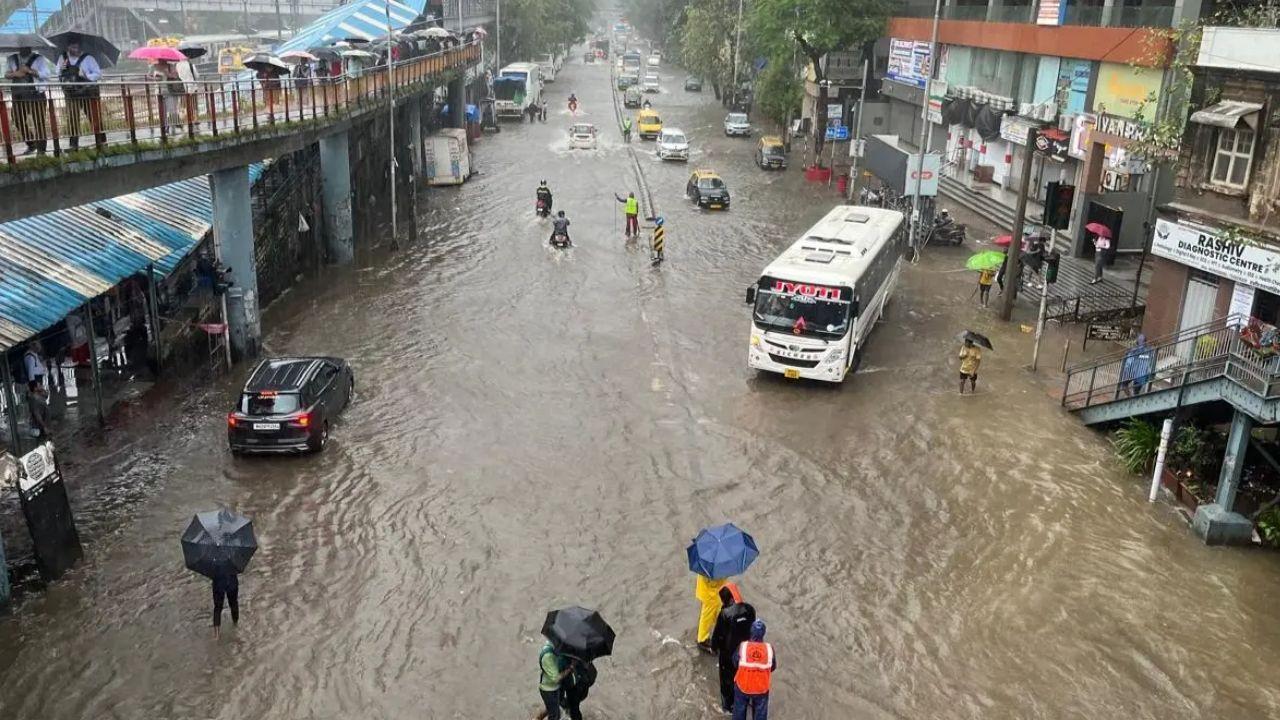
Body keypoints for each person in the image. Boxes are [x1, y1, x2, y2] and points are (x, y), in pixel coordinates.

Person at [712, 582, 756, 712]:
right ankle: (745, 699)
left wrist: (714, 647)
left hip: (728, 653)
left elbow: (718, 634)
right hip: (745, 653)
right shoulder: (750, 609)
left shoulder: (725, 614)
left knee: (726, 681)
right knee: (744, 677)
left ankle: (728, 706)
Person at [56, 36, 105, 150]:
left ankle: (101, 142)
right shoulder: (62, 58)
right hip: (71, 93)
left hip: (87, 93)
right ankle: (73, 145)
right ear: (68, 47)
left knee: (94, 117)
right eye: (73, 47)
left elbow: (98, 74)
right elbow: (57, 73)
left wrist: (86, 76)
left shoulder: (88, 58)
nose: (75, 49)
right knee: (72, 118)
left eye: (77, 47)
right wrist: (61, 68)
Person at [5, 46, 53, 155]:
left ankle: (41, 150)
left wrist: (31, 71)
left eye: (28, 46)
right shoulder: (11, 58)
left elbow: (47, 75)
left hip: (36, 95)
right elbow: (6, 74)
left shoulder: (39, 58)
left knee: (39, 122)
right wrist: (15, 74)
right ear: (19, 46)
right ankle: (31, 143)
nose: (26, 48)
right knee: (17, 119)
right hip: (18, 95)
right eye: (23, 46)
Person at [732, 619, 775, 720]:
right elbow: (772, 667)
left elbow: (735, 662)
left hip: (743, 686)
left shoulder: (743, 646)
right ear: (763, 633)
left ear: (750, 632)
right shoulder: (769, 649)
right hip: (761, 688)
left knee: (739, 710)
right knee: (760, 713)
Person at [535, 640, 574, 720]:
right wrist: (570, 668)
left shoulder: (554, 647)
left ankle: (537, 719)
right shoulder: (548, 656)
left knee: (552, 708)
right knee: (554, 715)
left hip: (556, 687)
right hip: (549, 689)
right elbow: (556, 678)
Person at [694, 573, 727, 652]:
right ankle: (702, 639)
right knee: (707, 616)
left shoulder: (706, 564)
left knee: (716, 613)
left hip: (713, 592)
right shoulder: (713, 570)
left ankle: (721, 632)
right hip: (710, 594)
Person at [211, 566, 239, 638]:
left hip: (218, 583)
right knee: (234, 604)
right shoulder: (232, 556)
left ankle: (216, 635)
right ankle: (235, 624)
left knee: (217, 608)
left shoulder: (212, 558)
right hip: (232, 582)